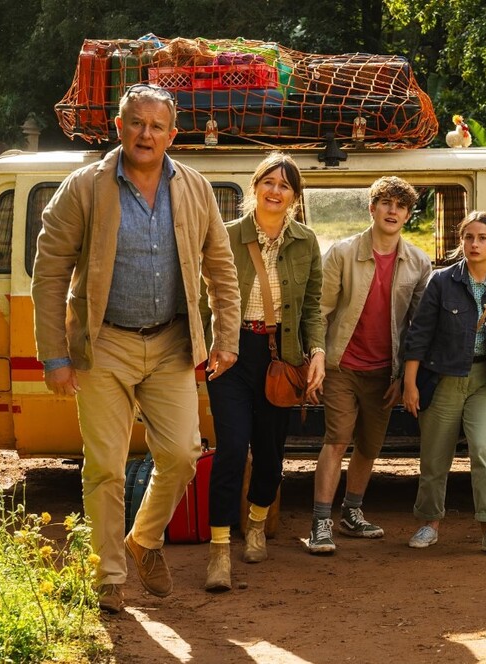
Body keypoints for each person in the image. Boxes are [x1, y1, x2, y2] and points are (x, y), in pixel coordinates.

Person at [31, 84, 242, 614]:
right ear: (118, 126)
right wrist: (55, 356)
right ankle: (108, 576)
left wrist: (226, 337)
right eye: (136, 123)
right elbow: (49, 273)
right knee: (104, 466)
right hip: (103, 345)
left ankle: (143, 539)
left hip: (171, 342)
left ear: (173, 134)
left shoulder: (194, 188)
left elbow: (220, 267)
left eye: (156, 126)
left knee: (182, 454)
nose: (145, 134)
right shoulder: (85, 187)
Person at [204, 152, 326, 591]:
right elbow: (202, 296)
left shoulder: (305, 241)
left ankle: (256, 524)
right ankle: (220, 550)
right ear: (254, 186)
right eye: (269, 182)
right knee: (232, 451)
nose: (276, 191)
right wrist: (203, 348)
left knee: (272, 456)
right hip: (231, 355)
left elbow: (312, 304)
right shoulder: (225, 234)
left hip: (281, 358)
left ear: (295, 196)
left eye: (285, 185)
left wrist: (316, 352)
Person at [307, 176, 432, 555]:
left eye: (401, 206)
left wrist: (403, 375)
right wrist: (317, 357)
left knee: (369, 445)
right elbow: (319, 310)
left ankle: (352, 512)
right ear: (372, 208)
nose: (393, 211)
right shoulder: (342, 253)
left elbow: (418, 327)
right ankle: (320, 522)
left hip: (384, 372)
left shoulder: (418, 262)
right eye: (386, 203)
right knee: (337, 439)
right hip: (341, 365)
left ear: (408, 215)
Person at [402, 211, 486, 554]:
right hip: (444, 378)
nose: (475, 244)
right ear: (461, 242)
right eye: (469, 237)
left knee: (484, 450)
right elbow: (418, 335)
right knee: (435, 455)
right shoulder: (441, 282)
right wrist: (410, 384)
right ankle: (429, 523)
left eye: (482, 238)